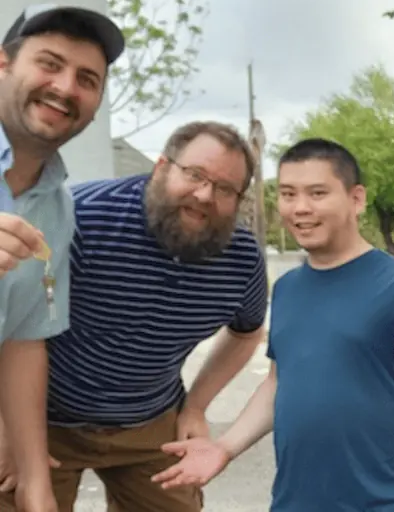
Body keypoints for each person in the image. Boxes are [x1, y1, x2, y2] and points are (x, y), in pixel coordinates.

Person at [150, 138, 394, 511]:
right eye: (288, 194)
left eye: (317, 193)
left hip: (382, 504)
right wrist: (224, 447)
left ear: (356, 199)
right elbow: (279, 382)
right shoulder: (286, 289)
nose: (300, 208)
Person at [0, 120, 268, 512]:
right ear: (161, 166)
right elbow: (13, 325)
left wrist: (195, 406)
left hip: (150, 422)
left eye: (226, 188)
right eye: (194, 174)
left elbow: (246, 333)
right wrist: (5, 428)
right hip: (44, 420)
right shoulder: (81, 219)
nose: (205, 195)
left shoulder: (242, 260)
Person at [0, 3, 124, 512]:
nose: (66, 87)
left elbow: (24, 341)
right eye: (49, 63)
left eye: (87, 78)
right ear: (4, 64)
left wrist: (36, 483)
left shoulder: (59, 205)